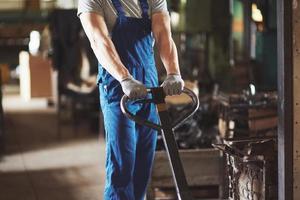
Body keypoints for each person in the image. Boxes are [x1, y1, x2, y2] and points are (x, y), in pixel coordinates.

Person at [78, 0, 184, 199]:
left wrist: (173, 72)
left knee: (143, 165)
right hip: (118, 88)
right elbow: (98, 39)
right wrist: (125, 77)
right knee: (122, 164)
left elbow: (163, 35)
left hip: (150, 87)